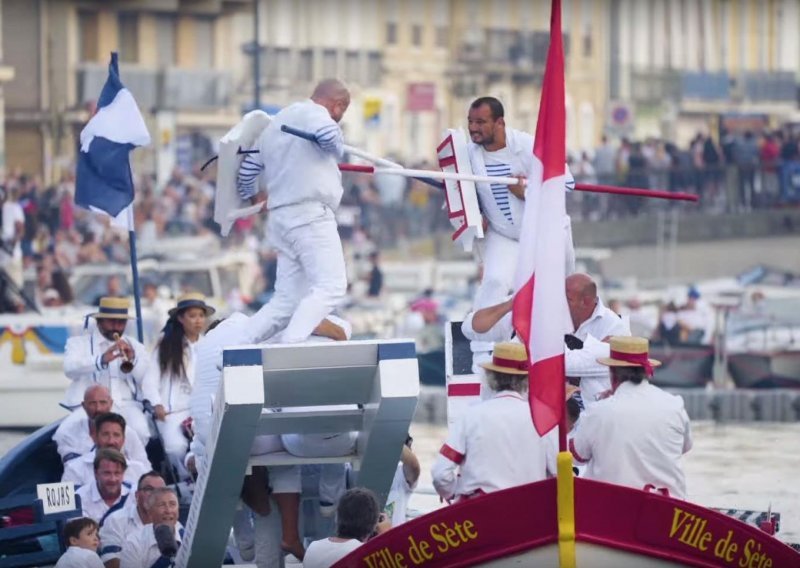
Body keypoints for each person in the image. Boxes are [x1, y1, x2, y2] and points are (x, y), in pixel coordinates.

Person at [235, 78, 351, 345]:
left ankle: (234, 348)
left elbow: (247, 171)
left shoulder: (277, 122)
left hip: (280, 219)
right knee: (331, 287)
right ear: (337, 105)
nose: (339, 119)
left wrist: (254, 195)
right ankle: (291, 344)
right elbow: (331, 140)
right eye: (342, 114)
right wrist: (334, 146)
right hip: (310, 215)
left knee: (286, 301)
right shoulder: (317, 115)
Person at [465, 96, 575, 312]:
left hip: (544, 233)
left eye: (480, 122)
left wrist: (526, 192)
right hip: (504, 235)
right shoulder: (469, 153)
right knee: (494, 283)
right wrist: (475, 213)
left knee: (561, 292)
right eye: (470, 122)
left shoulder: (529, 146)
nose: (473, 128)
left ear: (499, 123)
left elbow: (567, 184)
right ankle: (482, 340)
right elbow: (462, 190)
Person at [570, 336, 692, 499]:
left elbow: (577, 456)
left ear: (612, 373)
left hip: (614, 508)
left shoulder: (598, 411)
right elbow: (685, 447)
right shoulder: (675, 405)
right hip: (670, 509)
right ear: (646, 371)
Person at [432, 342, 555, 502]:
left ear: (491, 377)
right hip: (528, 511)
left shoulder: (471, 415)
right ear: (527, 379)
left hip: (479, 511)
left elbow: (440, 474)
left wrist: (453, 493)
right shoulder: (544, 419)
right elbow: (559, 474)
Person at [63, 297, 154, 443]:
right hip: (92, 406)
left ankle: (128, 465)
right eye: (111, 321)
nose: (116, 327)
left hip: (127, 405)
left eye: (121, 322)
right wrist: (101, 360)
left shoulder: (135, 346)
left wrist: (133, 360)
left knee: (141, 432)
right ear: (99, 322)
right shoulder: (78, 344)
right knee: (84, 437)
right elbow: (69, 369)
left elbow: (148, 380)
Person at [145, 293, 213, 480]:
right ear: (181, 318)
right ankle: (186, 479)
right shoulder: (166, 345)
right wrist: (156, 403)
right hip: (174, 412)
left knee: (211, 444)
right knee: (175, 447)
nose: (198, 321)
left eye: (201, 315)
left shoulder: (210, 344)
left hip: (205, 409)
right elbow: (150, 379)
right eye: (192, 316)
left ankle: (205, 480)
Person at [564, 273, 630, 407]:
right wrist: (596, 349)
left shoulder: (615, 325)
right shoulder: (554, 318)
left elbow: (563, 363)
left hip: (596, 410)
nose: (561, 304)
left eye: (568, 299)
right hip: (559, 411)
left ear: (586, 301)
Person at [53, 385, 149, 466]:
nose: (98, 408)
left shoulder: (128, 432)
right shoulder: (68, 433)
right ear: (83, 406)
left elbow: (144, 468)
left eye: (103, 403)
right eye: (92, 403)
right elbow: (72, 471)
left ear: (111, 404)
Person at [303, 488, 390, 568]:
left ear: (337, 517)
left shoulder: (313, 548)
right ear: (374, 525)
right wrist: (387, 536)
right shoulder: (364, 555)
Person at [63, 413, 149, 488]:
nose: (111, 441)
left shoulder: (140, 470)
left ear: (123, 439)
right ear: (95, 437)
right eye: (105, 435)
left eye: (116, 435)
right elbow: (60, 505)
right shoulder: (73, 468)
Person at [99, 471, 166, 568]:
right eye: (149, 489)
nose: (155, 495)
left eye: (161, 491)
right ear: (137, 495)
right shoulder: (116, 520)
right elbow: (110, 560)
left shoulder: (171, 522)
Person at [119, 487, 183, 568]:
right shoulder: (134, 542)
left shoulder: (188, 536)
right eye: (161, 505)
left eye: (172, 504)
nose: (168, 510)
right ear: (150, 512)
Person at [75, 448, 132, 524]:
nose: (113, 479)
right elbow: (80, 533)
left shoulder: (134, 495)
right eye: (107, 473)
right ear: (96, 473)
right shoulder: (80, 497)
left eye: (117, 473)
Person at [383, 435, 421, 527]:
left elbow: (413, 465)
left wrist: (384, 437)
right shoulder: (355, 468)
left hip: (393, 537)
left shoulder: (400, 474)